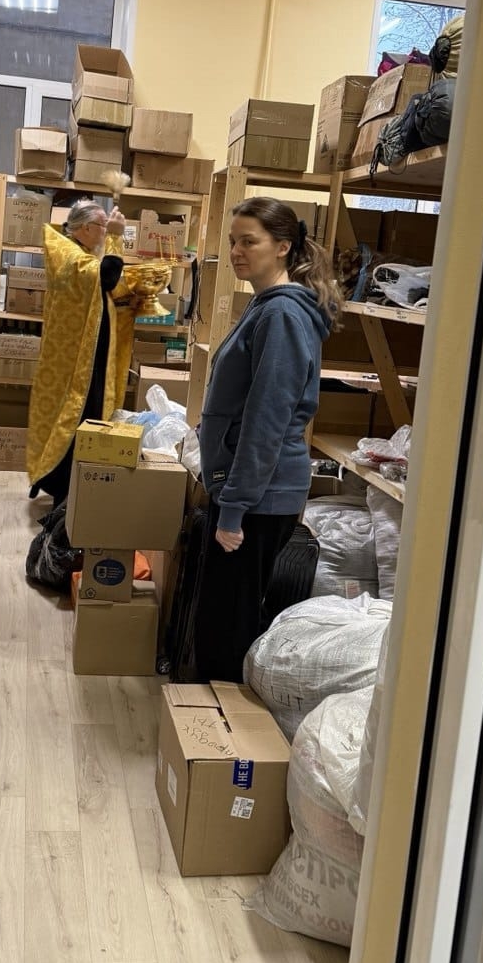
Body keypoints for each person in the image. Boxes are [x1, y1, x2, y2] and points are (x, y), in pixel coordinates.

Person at [193, 196, 342, 682]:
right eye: (233, 241)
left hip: (259, 496)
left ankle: (216, 722)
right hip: (251, 489)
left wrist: (234, 507)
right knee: (223, 617)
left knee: (226, 627)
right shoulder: (268, 307)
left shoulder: (281, 315)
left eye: (249, 242)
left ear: (282, 247)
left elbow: (267, 419)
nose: (236, 251)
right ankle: (210, 715)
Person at [26, 199, 134, 507]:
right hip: (76, 362)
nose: (104, 232)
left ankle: (68, 485)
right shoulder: (69, 254)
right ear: (85, 228)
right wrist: (116, 236)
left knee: (83, 414)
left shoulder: (78, 251)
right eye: (102, 226)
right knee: (77, 417)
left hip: (83, 355)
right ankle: (64, 490)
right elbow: (105, 277)